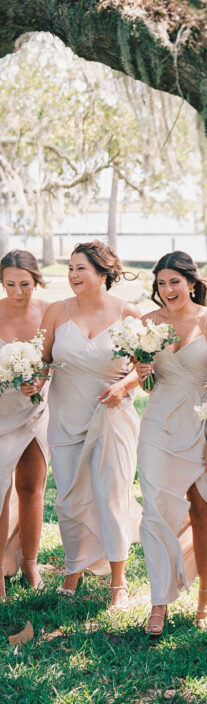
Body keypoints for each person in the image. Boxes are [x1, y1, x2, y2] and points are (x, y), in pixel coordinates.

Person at [136, 251, 207, 639]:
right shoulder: (145, 324)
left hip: (200, 423)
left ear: (191, 283)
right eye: (161, 283)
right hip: (158, 425)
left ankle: (205, 595)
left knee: (201, 509)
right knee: (156, 511)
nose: (168, 290)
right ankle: (159, 600)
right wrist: (141, 373)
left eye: (174, 281)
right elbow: (147, 386)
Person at [41, 241, 142, 608]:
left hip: (112, 418)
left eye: (80, 268)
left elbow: (144, 369)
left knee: (111, 496)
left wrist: (123, 385)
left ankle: (119, 582)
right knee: (69, 498)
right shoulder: (56, 311)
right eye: (70, 268)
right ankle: (74, 569)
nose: (72, 275)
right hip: (66, 419)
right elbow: (42, 360)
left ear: (103, 273)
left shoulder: (128, 314)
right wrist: (32, 381)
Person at [0, 250, 49, 597]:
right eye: (10, 284)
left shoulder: (50, 312)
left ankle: (30, 562)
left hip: (37, 409)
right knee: (1, 491)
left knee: (32, 488)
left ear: (36, 280)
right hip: (2, 412)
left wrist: (40, 381)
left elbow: (55, 357)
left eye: (25, 284)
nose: (18, 292)